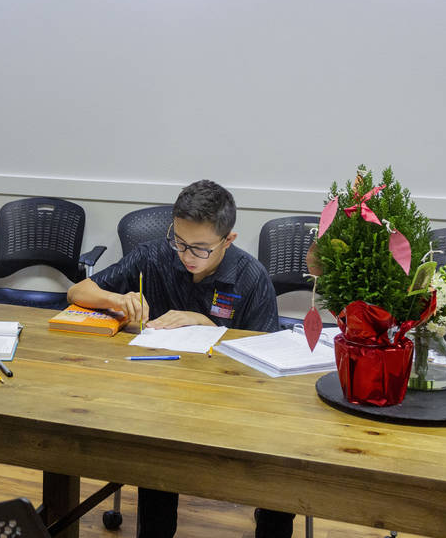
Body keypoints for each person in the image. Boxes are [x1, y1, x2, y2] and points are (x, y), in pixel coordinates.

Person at [66, 179, 294, 538]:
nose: (186, 256)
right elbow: (77, 291)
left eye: (200, 249)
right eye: (180, 242)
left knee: (280, 463)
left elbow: (265, 365)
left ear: (228, 240)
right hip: (158, 397)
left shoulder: (251, 278)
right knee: (157, 458)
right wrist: (117, 300)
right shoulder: (153, 256)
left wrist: (211, 326)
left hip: (230, 405)